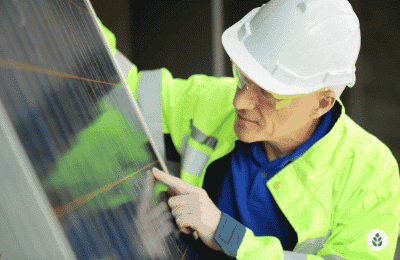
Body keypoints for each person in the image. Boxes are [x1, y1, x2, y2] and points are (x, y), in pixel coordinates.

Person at [98, 0, 400, 259]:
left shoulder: (371, 174)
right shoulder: (211, 101)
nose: (239, 100)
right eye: (242, 76)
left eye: (267, 93)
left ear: (322, 102)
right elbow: (121, 89)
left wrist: (225, 233)